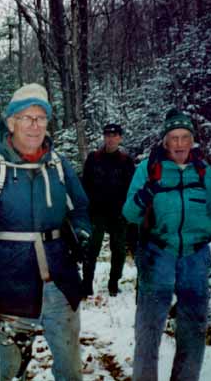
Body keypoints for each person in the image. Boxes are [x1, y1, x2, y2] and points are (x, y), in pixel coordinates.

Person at [0, 83, 92, 381]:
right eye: (27, 117)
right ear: (11, 122)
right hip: (10, 284)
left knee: (70, 370)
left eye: (41, 118)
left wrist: (81, 235)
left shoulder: (58, 165)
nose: (34, 125)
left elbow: (81, 208)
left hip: (59, 283)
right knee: (12, 372)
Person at [122, 109, 211, 381]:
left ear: (193, 140)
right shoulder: (148, 168)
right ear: (165, 141)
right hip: (157, 254)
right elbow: (129, 213)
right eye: (174, 138)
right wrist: (145, 194)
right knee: (149, 328)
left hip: (196, 258)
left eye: (185, 137)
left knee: (194, 327)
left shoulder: (203, 172)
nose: (181, 144)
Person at [81, 123, 135, 296]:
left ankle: (113, 283)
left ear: (120, 138)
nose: (111, 139)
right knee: (91, 249)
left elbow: (131, 188)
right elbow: (85, 185)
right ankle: (86, 284)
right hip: (96, 212)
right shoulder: (93, 158)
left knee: (118, 250)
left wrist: (128, 213)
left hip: (118, 213)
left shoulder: (126, 161)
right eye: (108, 135)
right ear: (104, 137)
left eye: (114, 135)